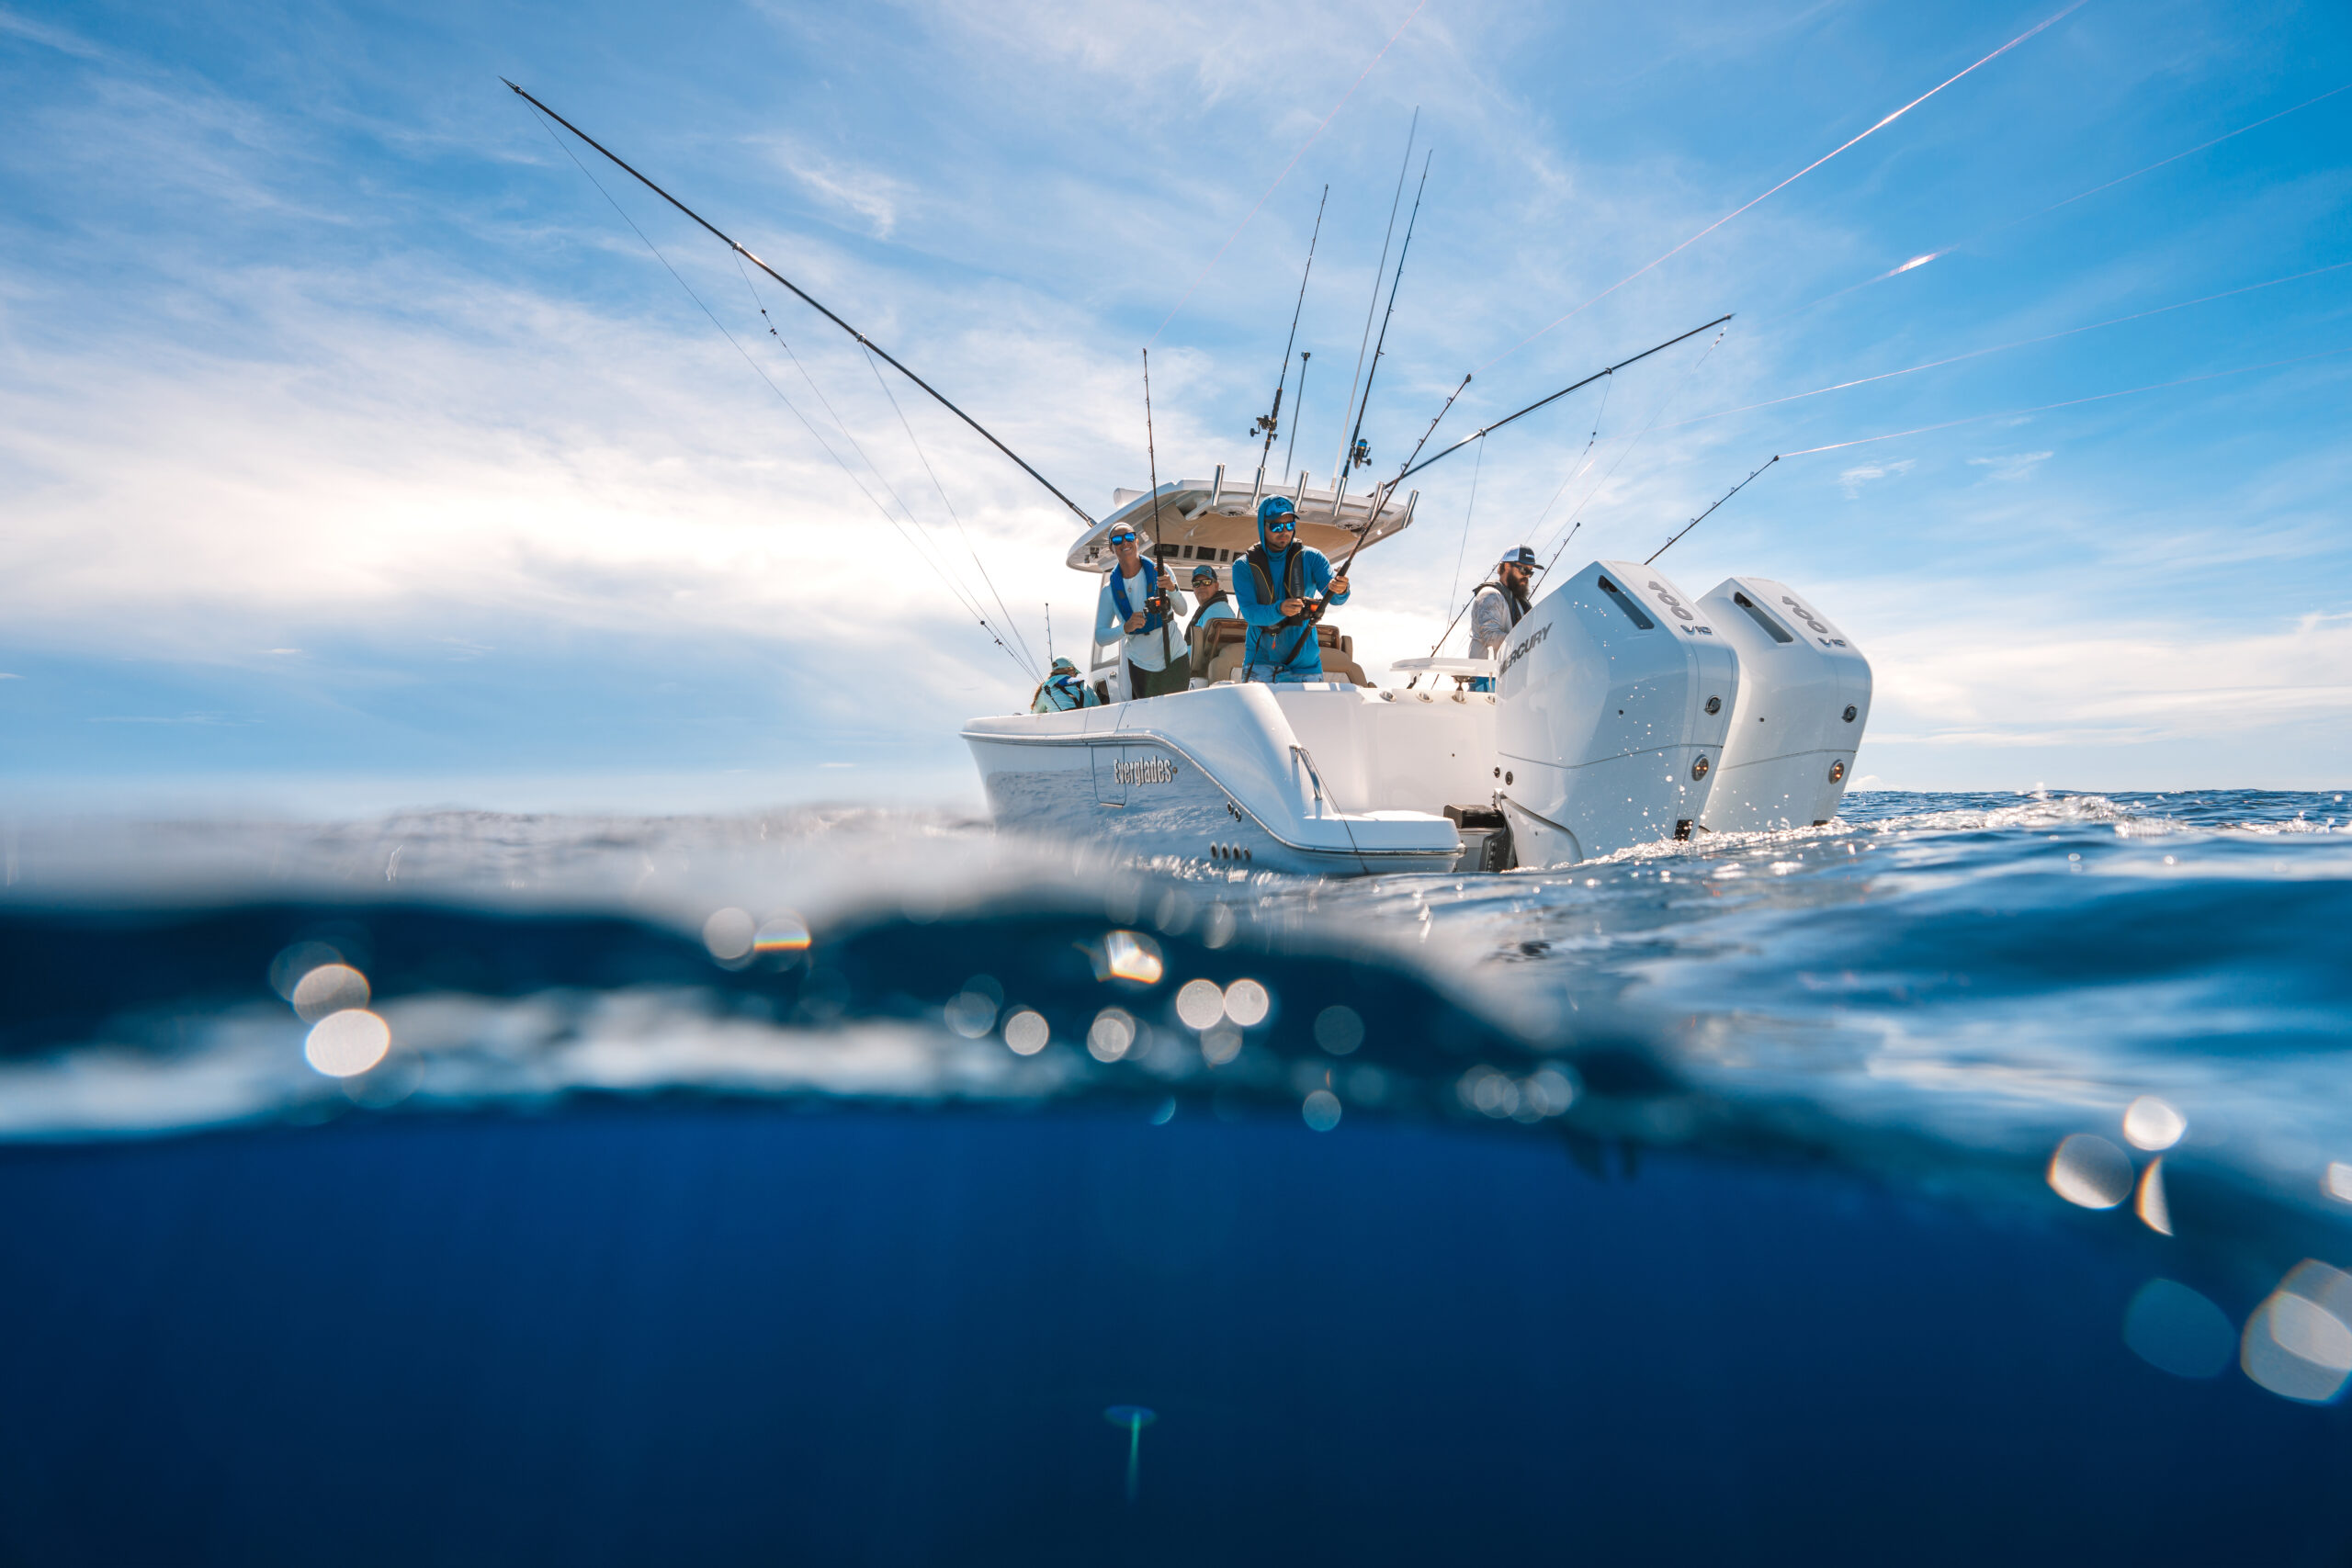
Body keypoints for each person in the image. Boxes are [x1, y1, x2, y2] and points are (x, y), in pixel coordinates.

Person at [1231, 495, 1351, 683]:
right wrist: (1280, 609)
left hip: (1307, 666)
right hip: (1261, 665)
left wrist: (1342, 589)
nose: (1284, 531)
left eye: (1290, 525)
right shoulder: (1242, 566)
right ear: (1262, 526)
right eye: (1277, 526)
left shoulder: (1313, 557)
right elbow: (1250, 614)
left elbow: (1336, 599)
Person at [1093, 524, 1191, 701]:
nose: (1124, 543)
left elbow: (1183, 610)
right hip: (1141, 665)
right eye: (1117, 540)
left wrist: (1173, 589)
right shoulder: (1109, 591)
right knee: (1151, 719)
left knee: (1178, 713)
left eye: (1129, 537)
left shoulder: (1162, 571)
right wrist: (1125, 627)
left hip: (1175, 656)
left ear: (1137, 541)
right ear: (1111, 548)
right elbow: (1100, 636)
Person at [1464, 546, 1542, 691]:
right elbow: (1491, 636)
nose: (1527, 576)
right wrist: (1528, 642)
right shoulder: (1490, 595)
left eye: (1530, 572)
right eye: (1523, 570)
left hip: (1511, 681)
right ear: (1507, 566)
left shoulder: (1518, 602)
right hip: (1487, 681)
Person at [1185, 563, 1239, 683]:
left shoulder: (1216, 609)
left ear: (1216, 586)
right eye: (1196, 584)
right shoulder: (1215, 608)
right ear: (1193, 589)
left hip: (1205, 673)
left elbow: (1203, 652)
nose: (1201, 586)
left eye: (1207, 582)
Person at [1030, 655, 1101, 713]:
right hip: (1085, 727)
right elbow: (1099, 708)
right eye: (1075, 673)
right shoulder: (1085, 686)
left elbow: (1034, 715)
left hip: (1061, 728)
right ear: (1071, 671)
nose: (1075, 676)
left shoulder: (1045, 689)